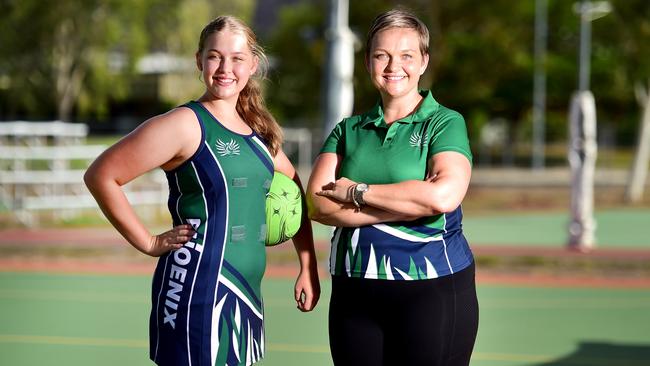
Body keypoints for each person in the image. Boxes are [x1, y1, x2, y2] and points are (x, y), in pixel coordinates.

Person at [85, 15, 320, 366]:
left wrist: (307, 263)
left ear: (253, 64)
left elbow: (294, 193)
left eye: (237, 58)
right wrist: (148, 242)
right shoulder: (185, 124)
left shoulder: (257, 133)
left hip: (246, 294)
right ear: (199, 60)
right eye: (215, 56)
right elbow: (101, 175)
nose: (225, 68)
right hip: (197, 289)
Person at [307, 8, 478, 366]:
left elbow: (443, 197)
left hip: (431, 287)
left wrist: (357, 192)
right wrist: (412, 200)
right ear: (368, 60)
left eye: (406, 56)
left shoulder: (444, 122)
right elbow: (319, 204)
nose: (392, 66)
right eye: (381, 55)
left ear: (424, 61)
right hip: (354, 289)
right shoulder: (347, 129)